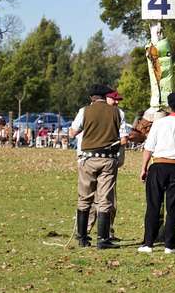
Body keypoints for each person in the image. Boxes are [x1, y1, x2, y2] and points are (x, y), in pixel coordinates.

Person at [138, 93, 175, 254]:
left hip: (158, 166)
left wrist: (144, 167)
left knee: (153, 205)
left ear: (171, 107)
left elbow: (149, 148)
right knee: (173, 207)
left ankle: (148, 243)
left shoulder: (159, 124)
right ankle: (169, 245)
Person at [69, 84, 124, 249]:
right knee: (104, 199)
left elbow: (73, 132)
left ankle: (82, 238)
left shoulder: (84, 111)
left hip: (88, 159)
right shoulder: (118, 112)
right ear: (105, 96)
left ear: (91, 98)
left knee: (85, 197)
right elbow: (124, 138)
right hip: (108, 159)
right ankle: (102, 239)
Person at [86, 90, 129, 241]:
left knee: (109, 199)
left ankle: (107, 232)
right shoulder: (92, 112)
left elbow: (124, 139)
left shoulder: (118, 113)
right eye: (114, 99)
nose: (117, 102)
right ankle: (87, 230)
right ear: (106, 98)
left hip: (110, 161)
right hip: (97, 159)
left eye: (118, 100)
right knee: (93, 198)